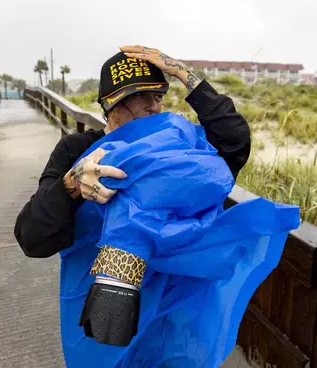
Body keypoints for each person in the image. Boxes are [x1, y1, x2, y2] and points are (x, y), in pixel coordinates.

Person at [14, 45, 251, 258]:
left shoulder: (175, 146)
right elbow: (32, 239)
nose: (154, 105)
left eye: (158, 96)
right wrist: (71, 185)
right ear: (110, 102)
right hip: (102, 293)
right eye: (139, 95)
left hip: (173, 290)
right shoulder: (75, 148)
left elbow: (234, 143)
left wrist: (181, 72)